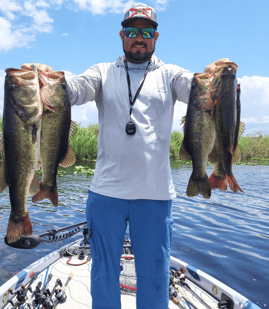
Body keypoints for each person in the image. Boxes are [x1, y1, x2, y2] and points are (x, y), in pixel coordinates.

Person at [64, 3, 194, 309]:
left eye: (146, 31)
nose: (139, 37)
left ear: (156, 37)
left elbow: (195, 89)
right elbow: (75, 89)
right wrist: (52, 85)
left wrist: (215, 83)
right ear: (122, 35)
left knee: (155, 275)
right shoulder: (103, 71)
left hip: (155, 194)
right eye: (132, 30)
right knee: (103, 272)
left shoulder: (170, 74)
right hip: (105, 193)